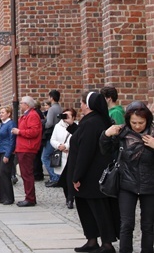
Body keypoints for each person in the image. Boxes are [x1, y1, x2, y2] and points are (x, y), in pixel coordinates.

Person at [100, 101, 154, 253]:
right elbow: (105, 151)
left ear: (147, 120)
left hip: (150, 185)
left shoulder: (153, 134)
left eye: (141, 123)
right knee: (126, 224)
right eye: (134, 122)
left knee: (148, 225)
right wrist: (105, 135)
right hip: (127, 184)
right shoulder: (122, 133)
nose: (137, 126)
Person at [69, 91, 119, 253]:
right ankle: (92, 240)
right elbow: (80, 138)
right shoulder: (92, 120)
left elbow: (86, 150)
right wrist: (72, 127)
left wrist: (77, 176)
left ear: (88, 105)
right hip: (89, 174)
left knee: (99, 210)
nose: (80, 106)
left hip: (91, 175)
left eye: (82, 103)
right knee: (85, 208)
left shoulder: (92, 122)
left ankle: (107, 244)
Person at [11, 96, 42, 207]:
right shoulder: (27, 115)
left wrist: (19, 132)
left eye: (22, 103)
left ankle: (30, 198)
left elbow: (34, 132)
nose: (20, 105)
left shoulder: (32, 115)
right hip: (23, 147)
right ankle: (28, 197)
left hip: (27, 148)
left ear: (27, 105)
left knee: (27, 174)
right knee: (25, 174)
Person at [50, 107, 77, 209]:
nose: (65, 118)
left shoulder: (77, 126)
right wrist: (59, 146)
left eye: (68, 115)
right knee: (64, 179)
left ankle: (71, 198)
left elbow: (76, 139)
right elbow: (53, 139)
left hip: (71, 155)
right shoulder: (58, 126)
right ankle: (67, 197)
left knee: (71, 178)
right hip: (62, 156)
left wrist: (66, 146)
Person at [0, 107, 16, 205]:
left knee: (5, 174)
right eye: (0, 112)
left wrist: (7, 154)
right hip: (0, 151)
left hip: (6, 151)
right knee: (1, 174)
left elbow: (12, 141)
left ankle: (9, 197)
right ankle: (3, 196)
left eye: (3, 112)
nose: (1, 114)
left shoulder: (10, 124)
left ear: (8, 114)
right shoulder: (1, 124)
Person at [42, 90, 63, 187]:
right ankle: (55, 177)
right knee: (53, 157)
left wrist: (43, 126)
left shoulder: (52, 109)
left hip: (51, 134)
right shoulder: (60, 108)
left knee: (45, 157)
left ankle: (55, 177)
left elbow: (49, 123)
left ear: (51, 98)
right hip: (58, 134)